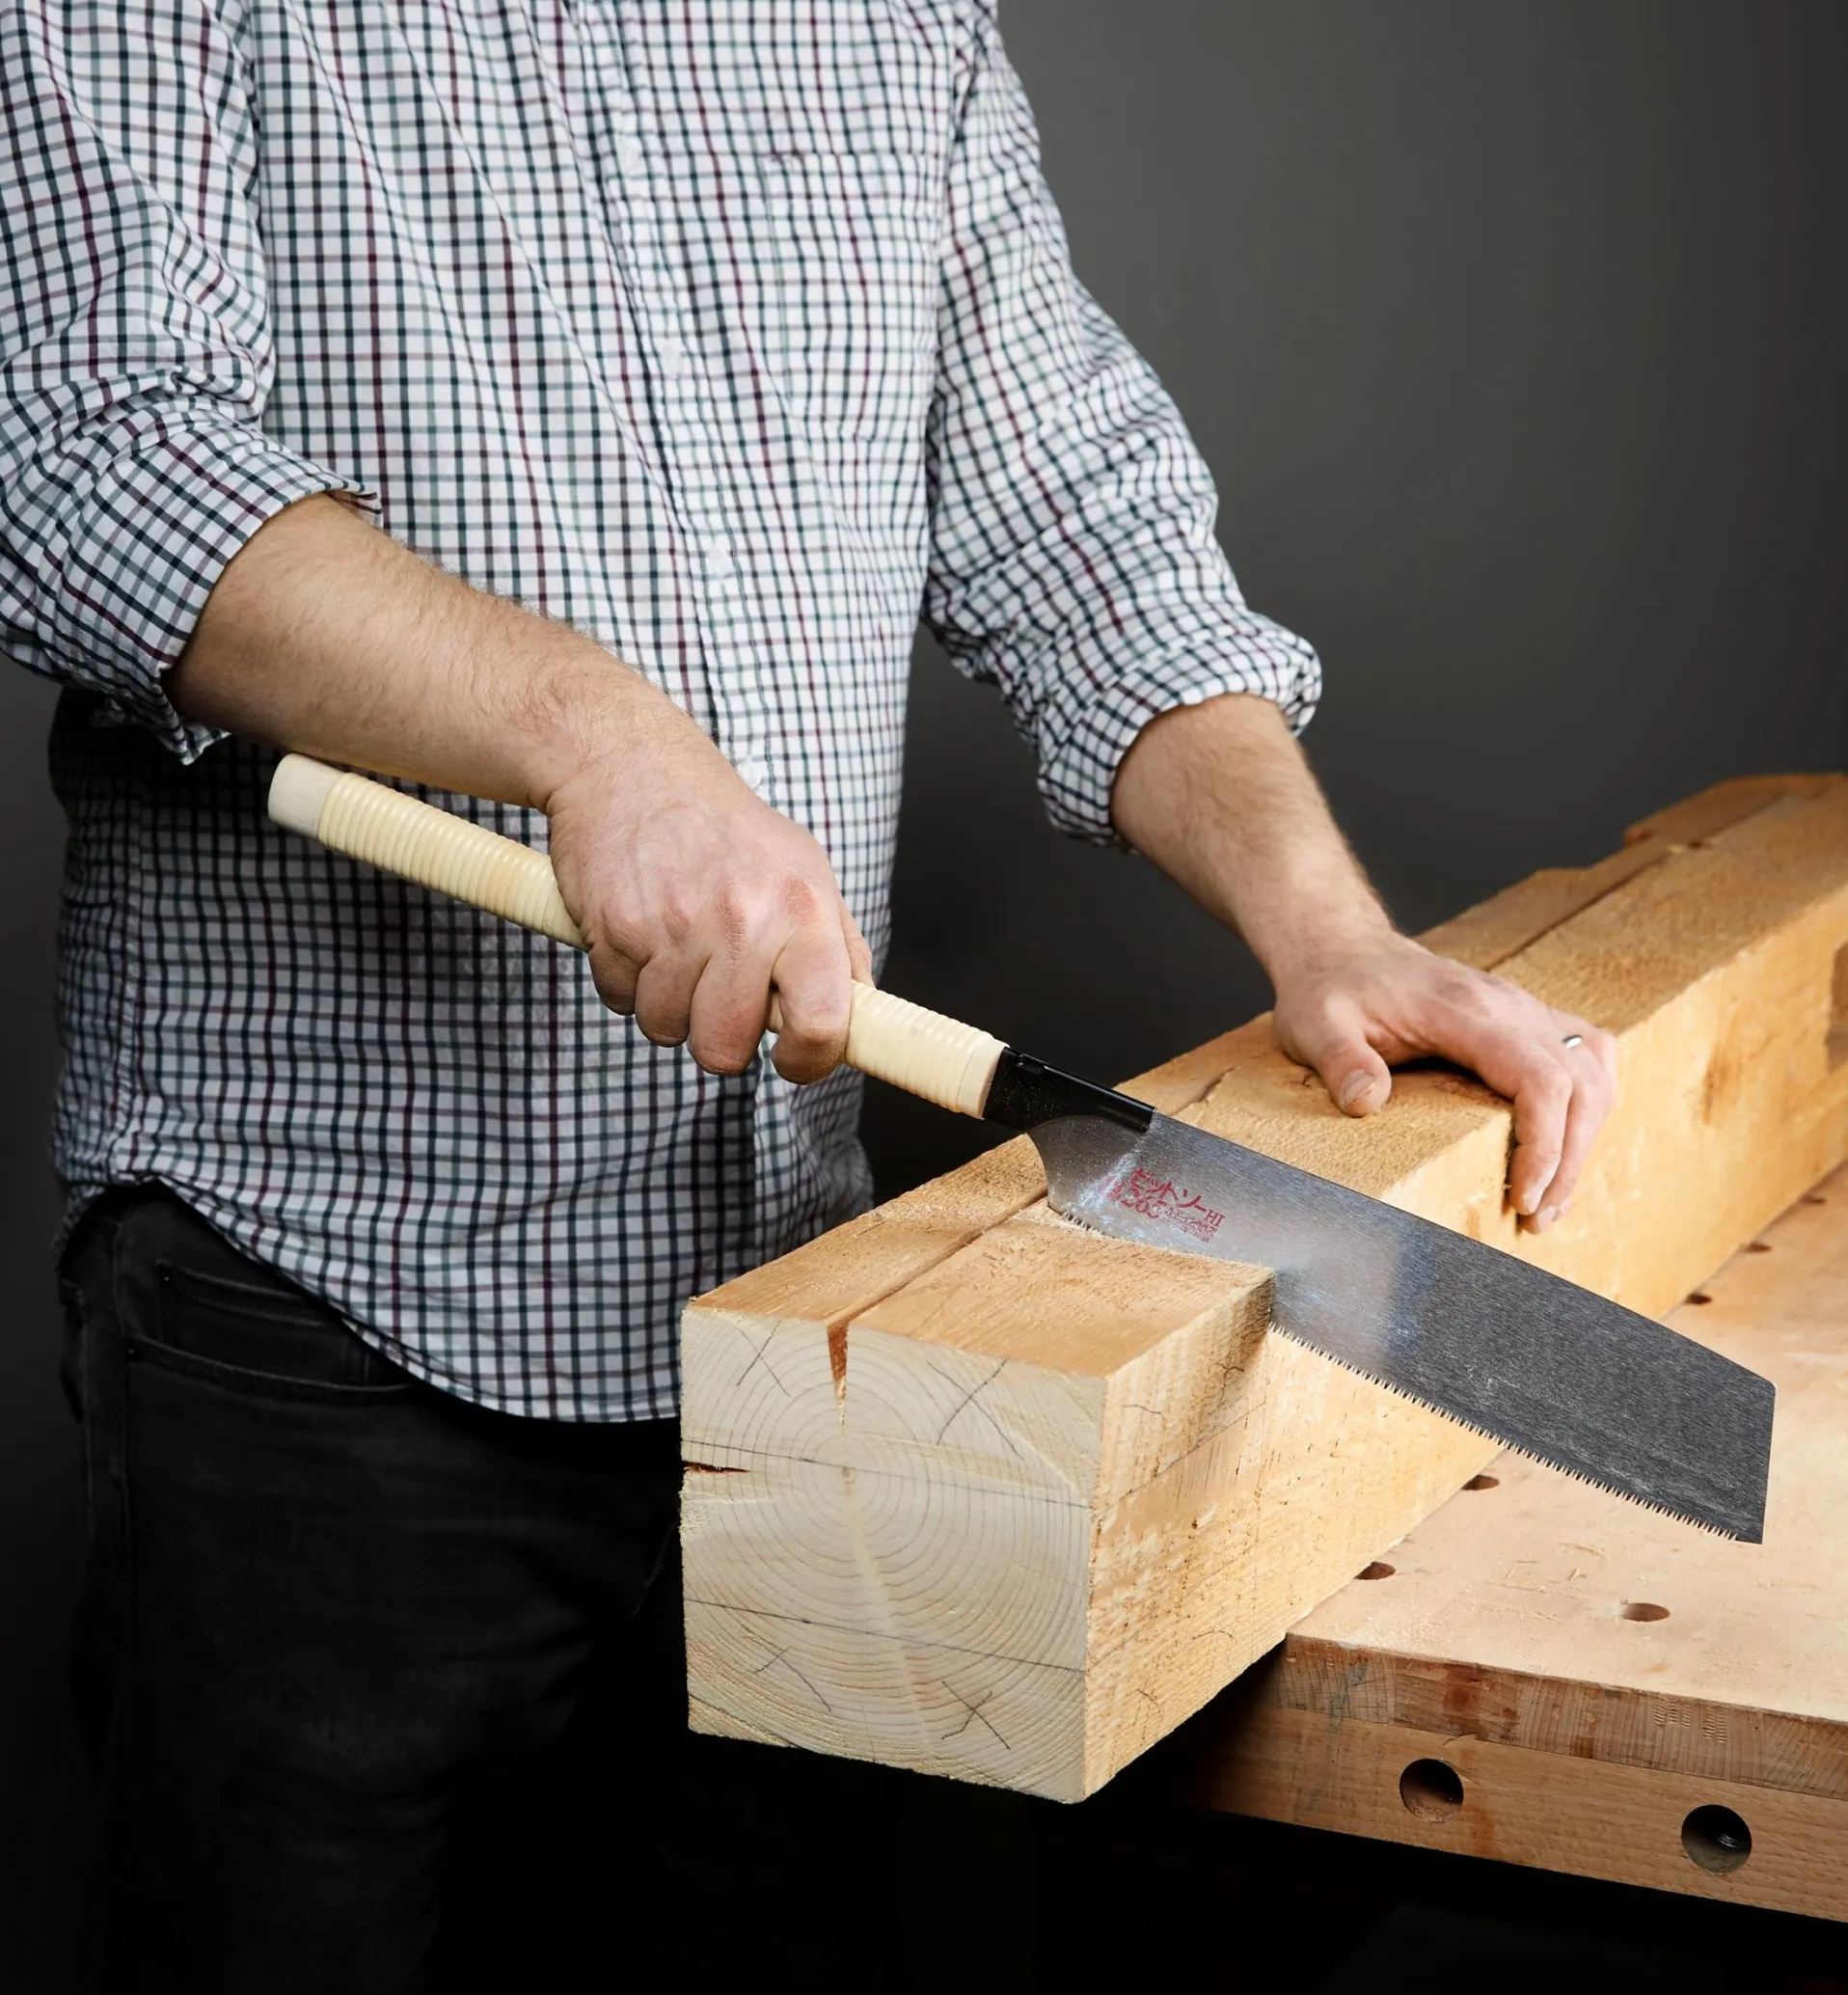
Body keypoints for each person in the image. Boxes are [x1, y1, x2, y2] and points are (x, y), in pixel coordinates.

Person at [3, 2, 1616, 1987]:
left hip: (794, 1338)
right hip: (323, 1318)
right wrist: (591, 734)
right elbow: (87, 448)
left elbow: (1080, 522)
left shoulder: (890, 26)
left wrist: (1326, 924)